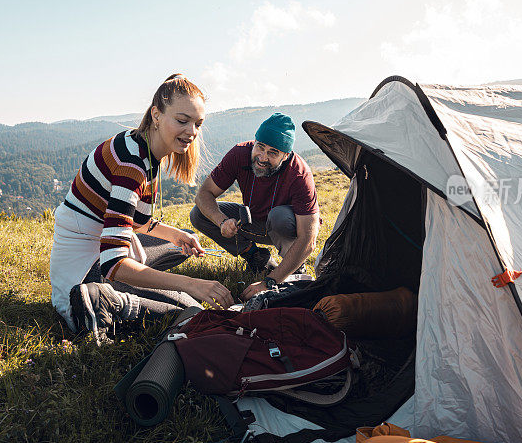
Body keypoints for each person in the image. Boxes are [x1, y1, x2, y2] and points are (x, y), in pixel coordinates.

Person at [50, 74, 234, 342]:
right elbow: (113, 264)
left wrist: (175, 235)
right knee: (189, 308)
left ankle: (118, 292)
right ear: (156, 115)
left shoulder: (141, 146)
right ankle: (103, 300)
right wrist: (193, 284)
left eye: (197, 124)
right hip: (84, 270)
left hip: (96, 246)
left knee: (177, 240)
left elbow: (128, 219)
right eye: (182, 121)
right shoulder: (132, 166)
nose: (192, 132)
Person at [191, 112, 320, 300]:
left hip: (284, 228)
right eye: (260, 147)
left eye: (273, 153)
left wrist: (270, 282)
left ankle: (294, 268)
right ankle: (255, 256)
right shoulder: (239, 154)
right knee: (198, 214)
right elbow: (204, 194)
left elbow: (308, 240)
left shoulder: (299, 174)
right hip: (252, 222)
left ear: (285, 155)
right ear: (255, 141)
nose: (262, 157)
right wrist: (222, 222)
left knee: (279, 217)